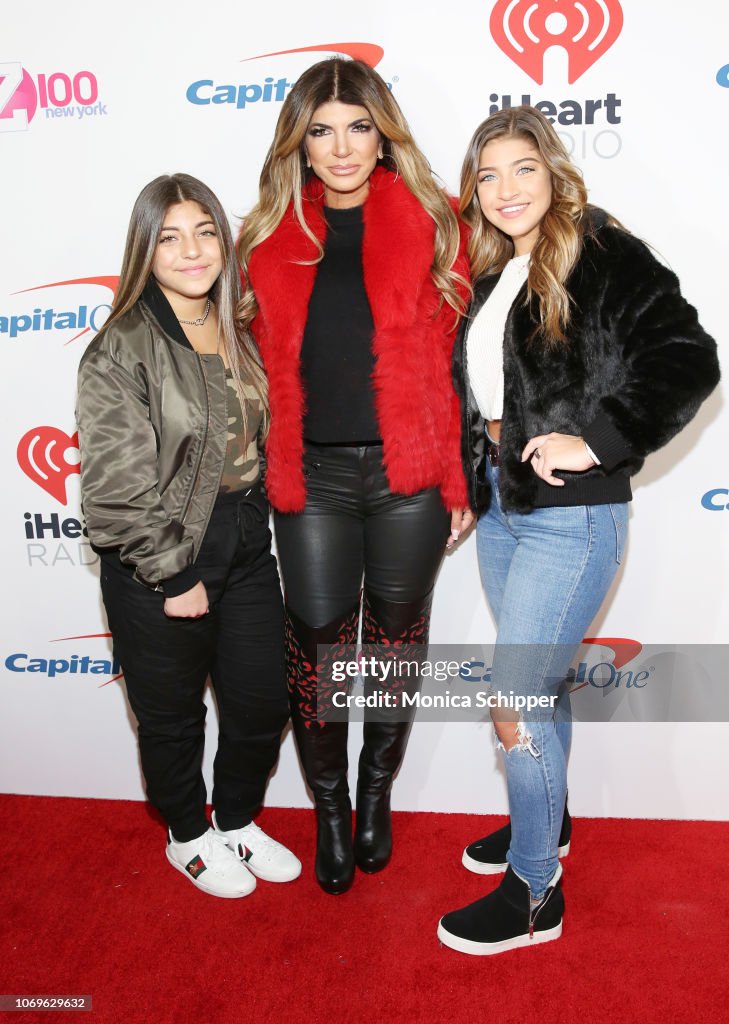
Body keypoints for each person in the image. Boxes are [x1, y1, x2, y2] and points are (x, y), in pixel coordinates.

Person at [438, 106, 720, 953]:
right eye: (486, 176)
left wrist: (596, 440)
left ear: (553, 170)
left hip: (574, 515)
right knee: (540, 689)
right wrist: (464, 478)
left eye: (521, 167)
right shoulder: (492, 271)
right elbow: (481, 395)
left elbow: (687, 355)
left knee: (513, 701)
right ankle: (547, 827)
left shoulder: (597, 249)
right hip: (502, 506)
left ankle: (533, 893)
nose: (504, 189)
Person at [237, 58, 472, 894]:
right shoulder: (266, 236)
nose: (340, 147)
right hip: (313, 481)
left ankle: (377, 793)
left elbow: (456, 366)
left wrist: (455, 480)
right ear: (298, 143)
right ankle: (329, 808)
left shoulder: (437, 225)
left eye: (357, 127)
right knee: (320, 654)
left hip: (407, 474)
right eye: (321, 130)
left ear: (383, 134)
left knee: (395, 650)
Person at [76, 174, 301, 898]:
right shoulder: (122, 346)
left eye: (204, 230)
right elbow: (114, 488)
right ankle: (187, 833)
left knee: (263, 699)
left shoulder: (240, 324)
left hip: (243, 539)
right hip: (159, 556)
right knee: (172, 716)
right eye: (169, 237)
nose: (192, 250)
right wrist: (172, 575)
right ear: (146, 249)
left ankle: (235, 819)